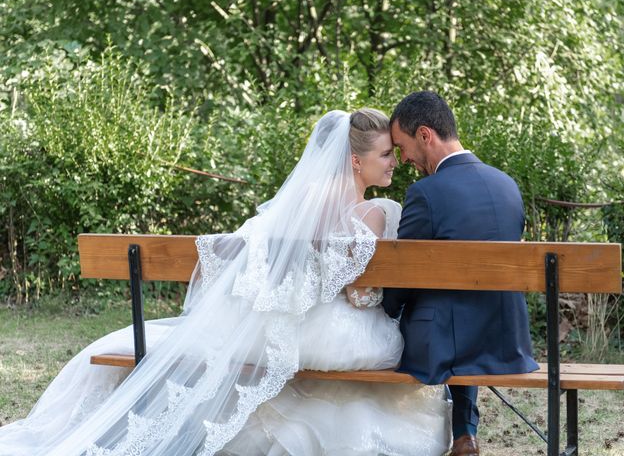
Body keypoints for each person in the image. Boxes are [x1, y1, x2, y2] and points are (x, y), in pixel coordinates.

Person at [0, 109, 451, 456]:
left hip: (276, 321)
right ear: (356, 161)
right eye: (386, 154)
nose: (395, 161)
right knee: (387, 343)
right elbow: (357, 294)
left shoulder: (301, 203)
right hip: (324, 329)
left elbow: (256, 260)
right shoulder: (372, 213)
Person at [383, 91, 539, 456]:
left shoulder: (426, 193)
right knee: (460, 300)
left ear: (425, 135)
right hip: (506, 339)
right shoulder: (507, 185)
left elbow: (404, 278)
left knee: (407, 315)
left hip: (444, 344)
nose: (404, 159)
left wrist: (384, 309)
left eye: (402, 147)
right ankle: (464, 432)